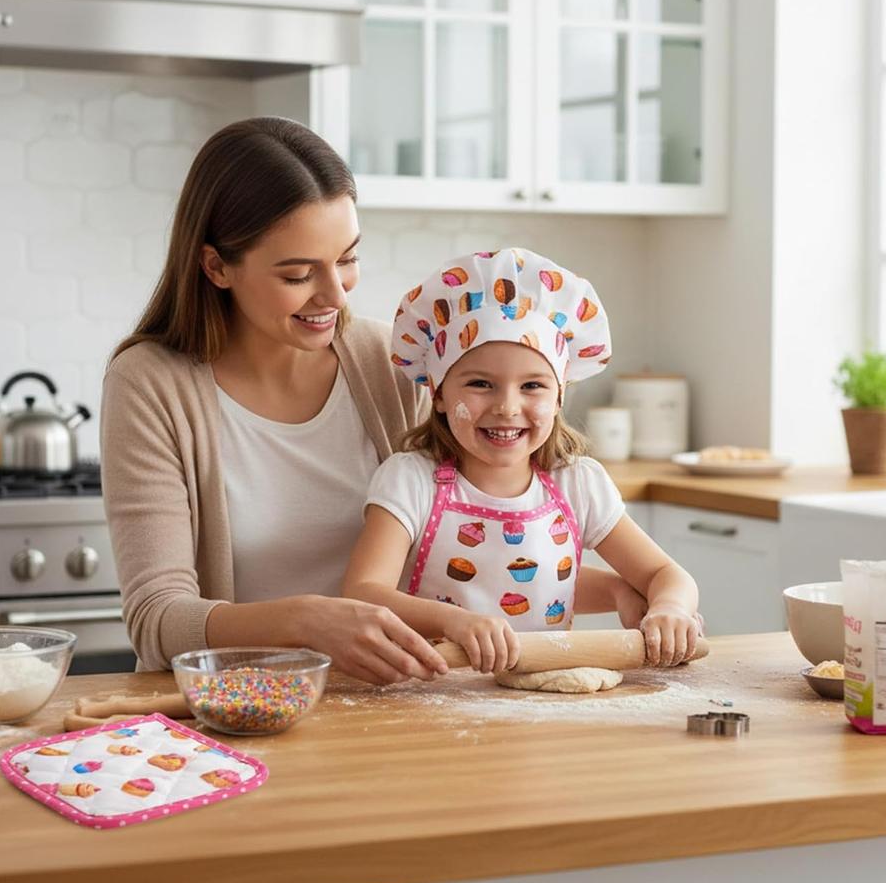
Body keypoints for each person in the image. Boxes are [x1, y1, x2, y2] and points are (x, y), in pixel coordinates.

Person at [101, 118, 630, 683]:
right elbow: (158, 619)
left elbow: (478, 554)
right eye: (298, 274)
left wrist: (621, 587)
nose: (335, 295)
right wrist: (306, 621)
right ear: (216, 266)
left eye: (347, 259)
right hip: (237, 704)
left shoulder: (387, 363)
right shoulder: (151, 384)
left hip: (395, 702)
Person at [342, 248, 701, 674]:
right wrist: (454, 622)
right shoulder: (410, 481)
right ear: (438, 394)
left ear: (559, 395)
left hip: (541, 700)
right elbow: (363, 593)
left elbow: (664, 573)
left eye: (532, 386)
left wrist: (670, 608)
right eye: (481, 384)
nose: (508, 407)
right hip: (433, 692)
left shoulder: (578, 484)